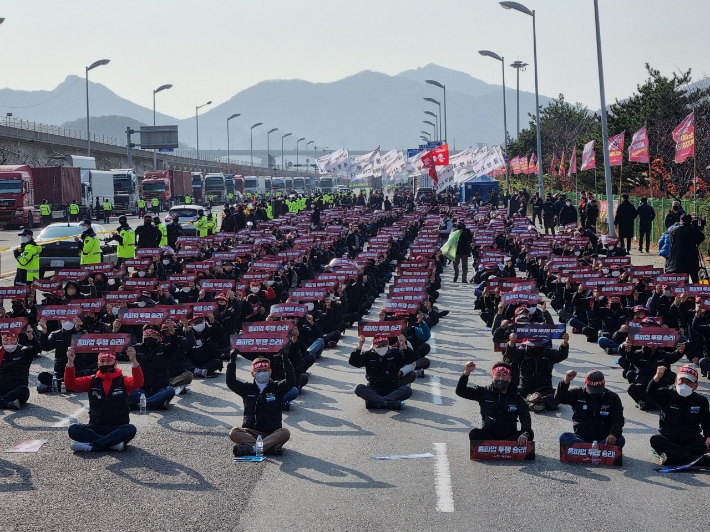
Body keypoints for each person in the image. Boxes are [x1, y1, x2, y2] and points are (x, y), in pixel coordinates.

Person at [64, 348, 142, 452]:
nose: (105, 363)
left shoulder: (123, 380)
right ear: (98, 363)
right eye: (102, 361)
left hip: (117, 428)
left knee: (130, 429)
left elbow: (138, 383)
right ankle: (111, 444)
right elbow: (70, 384)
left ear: (116, 363)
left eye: (109, 361)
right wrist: (70, 362)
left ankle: (92, 445)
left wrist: (134, 361)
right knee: (73, 429)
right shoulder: (91, 380)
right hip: (96, 427)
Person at [227, 355, 294, 456]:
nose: (262, 373)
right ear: (253, 374)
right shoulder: (247, 389)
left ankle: (253, 449)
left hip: (272, 433)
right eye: (258, 371)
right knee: (234, 432)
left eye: (265, 370)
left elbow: (291, 381)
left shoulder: (277, 388)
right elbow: (230, 382)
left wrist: (285, 358)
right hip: (251, 433)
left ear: (270, 372)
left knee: (285, 432)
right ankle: (267, 448)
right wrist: (232, 361)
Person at [456, 361, 533, 448]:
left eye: (504, 375)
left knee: (529, 434)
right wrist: (467, 372)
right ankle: (499, 446)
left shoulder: (517, 396)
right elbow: (460, 391)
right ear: (492, 377)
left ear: (510, 378)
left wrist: (524, 434)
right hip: (489, 435)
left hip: (509, 436)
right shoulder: (483, 392)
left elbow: (525, 417)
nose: (501, 378)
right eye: (498, 375)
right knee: (474, 434)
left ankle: (502, 445)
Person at [648, 365, 710, 466]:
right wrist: (657, 377)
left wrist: (708, 436)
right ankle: (693, 459)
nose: (684, 384)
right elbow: (650, 392)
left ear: (696, 385)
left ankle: (673, 457)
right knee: (655, 440)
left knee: (704, 443)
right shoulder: (666, 394)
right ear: (676, 381)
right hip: (670, 439)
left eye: (688, 382)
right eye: (682, 380)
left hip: (691, 440)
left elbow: (706, 421)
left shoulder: (701, 401)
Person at [555, 369, 625, 448]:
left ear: (604, 385)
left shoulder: (612, 397)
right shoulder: (577, 393)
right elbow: (559, 398)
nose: (595, 393)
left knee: (620, 439)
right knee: (563, 437)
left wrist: (613, 434)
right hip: (582, 437)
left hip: (604, 438)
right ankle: (593, 449)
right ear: (585, 384)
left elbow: (618, 418)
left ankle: (586, 450)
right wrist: (566, 381)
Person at [349, 335, 413, 410]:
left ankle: (376, 402)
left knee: (407, 390)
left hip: (392, 388)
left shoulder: (394, 353)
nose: (382, 348)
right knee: (359, 388)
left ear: (388, 344)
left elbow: (410, 359)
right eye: (379, 346)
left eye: (384, 345)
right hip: (374, 389)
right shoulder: (368, 355)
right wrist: (359, 346)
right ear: (373, 346)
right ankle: (387, 403)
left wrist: (404, 345)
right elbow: (354, 362)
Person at [0, 332, 41, 410]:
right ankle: (7, 404)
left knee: (24, 390)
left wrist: (31, 337)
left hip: (18, 389)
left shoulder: (24, 351)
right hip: (2, 388)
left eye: (12, 340)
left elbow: (38, 349)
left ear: (17, 340)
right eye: (6, 340)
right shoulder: (0, 352)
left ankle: (2, 401)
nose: (9, 343)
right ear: (2, 341)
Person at [666, 214, 705, 283]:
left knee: (681, 282)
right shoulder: (694, 231)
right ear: (691, 222)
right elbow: (701, 237)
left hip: (677, 261)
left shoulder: (673, 231)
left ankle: (682, 292)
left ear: (681, 221)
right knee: (695, 279)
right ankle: (697, 291)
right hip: (691, 260)